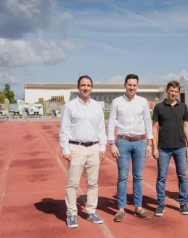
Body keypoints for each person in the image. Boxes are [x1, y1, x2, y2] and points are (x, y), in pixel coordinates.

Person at [59, 75, 107, 228]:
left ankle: (91, 211)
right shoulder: (70, 106)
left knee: (93, 183)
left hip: (93, 148)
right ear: (78, 87)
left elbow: (101, 129)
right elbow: (64, 130)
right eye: (83, 85)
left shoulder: (97, 107)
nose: (86, 88)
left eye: (88, 85)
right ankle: (72, 213)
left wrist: (102, 147)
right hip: (76, 148)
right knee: (72, 183)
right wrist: (66, 149)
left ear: (92, 88)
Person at [107, 74, 153, 222]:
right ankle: (120, 209)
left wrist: (150, 143)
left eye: (134, 85)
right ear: (124, 85)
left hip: (140, 142)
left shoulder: (143, 102)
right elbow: (111, 123)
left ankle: (138, 208)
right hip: (122, 142)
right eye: (129, 85)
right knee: (122, 176)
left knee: (139, 176)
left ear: (137, 86)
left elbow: (147, 122)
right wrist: (112, 143)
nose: (132, 87)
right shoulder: (116, 102)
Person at [152, 80, 188, 217]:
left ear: (178, 92)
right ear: (167, 91)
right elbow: (155, 127)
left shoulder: (183, 107)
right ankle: (160, 204)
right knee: (161, 177)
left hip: (180, 147)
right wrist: (154, 147)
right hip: (163, 148)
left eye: (176, 91)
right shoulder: (159, 107)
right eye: (171, 90)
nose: (173, 93)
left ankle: (183, 203)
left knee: (182, 176)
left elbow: (186, 126)